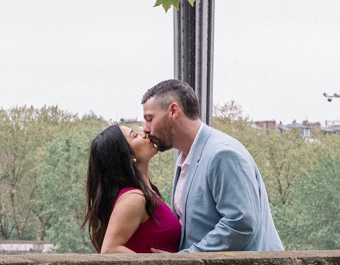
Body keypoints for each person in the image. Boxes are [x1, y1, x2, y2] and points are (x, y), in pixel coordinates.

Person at [140, 78, 283, 252]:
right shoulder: (185, 157)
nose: (145, 129)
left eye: (149, 118)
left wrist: (184, 259)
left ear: (173, 111)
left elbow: (241, 223)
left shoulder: (222, 154)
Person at [82, 124, 181, 253]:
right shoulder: (134, 198)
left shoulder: (146, 195)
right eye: (134, 135)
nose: (144, 133)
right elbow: (109, 250)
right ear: (127, 156)